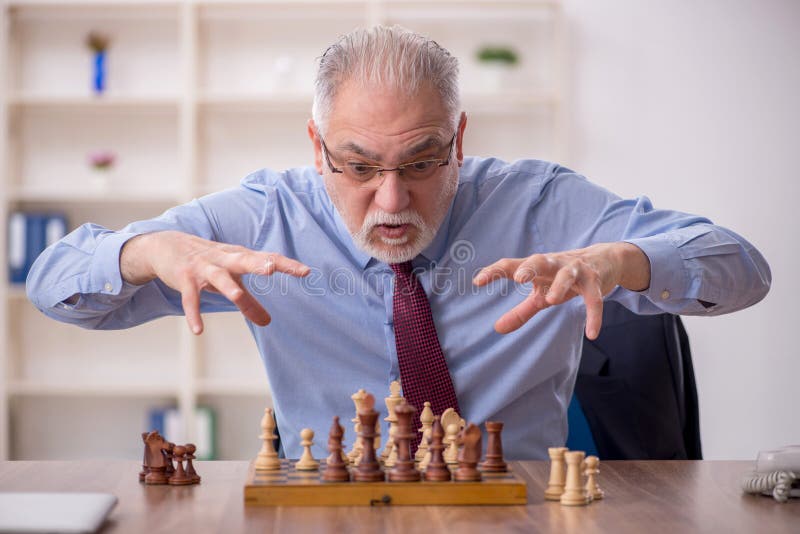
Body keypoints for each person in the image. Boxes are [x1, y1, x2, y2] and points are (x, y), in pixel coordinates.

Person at [26, 26, 770, 460]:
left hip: (517, 511)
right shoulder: (266, 217)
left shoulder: (542, 203)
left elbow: (744, 268)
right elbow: (53, 283)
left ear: (460, 140)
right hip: (332, 509)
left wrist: (623, 260)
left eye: (420, 162)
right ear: (316, 147)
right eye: (356, 166)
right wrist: (144, 252)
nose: (390, 199)